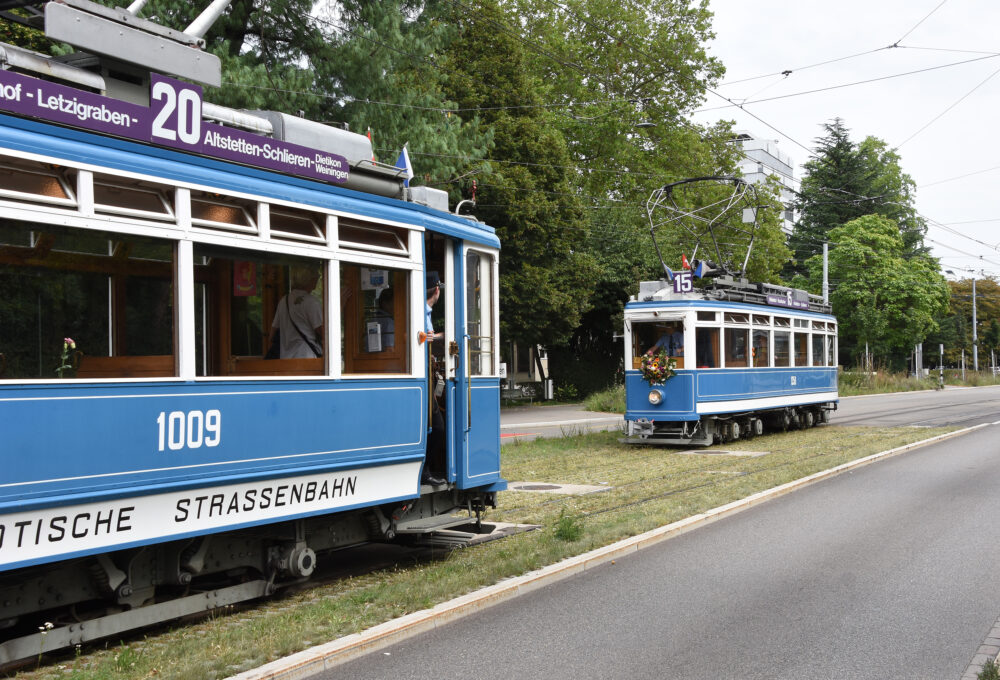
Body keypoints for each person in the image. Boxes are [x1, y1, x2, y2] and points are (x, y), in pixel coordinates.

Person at [269, 265, 323, 358]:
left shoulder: (283, 301)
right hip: (307, 359)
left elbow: (272, 335)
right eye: (317, 277)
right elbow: (325, 333)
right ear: (310, 279)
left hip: (286, 360)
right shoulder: (311, 302)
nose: (317, 279)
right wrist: (339, 308)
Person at [423, 271, 446, 486]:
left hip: (427, 373)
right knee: (437, 427)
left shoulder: (426, 313)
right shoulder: (421, 312)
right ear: (437, 290)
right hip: (423, 377)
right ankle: (425, 471)